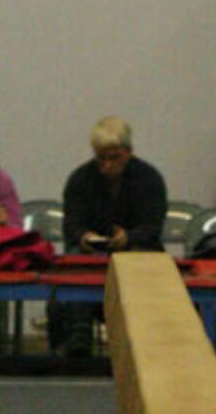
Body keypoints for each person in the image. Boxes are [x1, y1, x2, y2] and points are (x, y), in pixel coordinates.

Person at [51, 115, 167, 362]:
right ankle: (77, 339)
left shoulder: (150, 180)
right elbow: (71, 224)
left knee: (143, 259)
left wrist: (129, 238)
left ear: (128, 152)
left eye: (114, 157)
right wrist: (84, 236)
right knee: (74, 264)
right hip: (91, 257)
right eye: (101, 158)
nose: (107, 165)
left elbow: (153, 228)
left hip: (137, 254)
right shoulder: (79, 179)